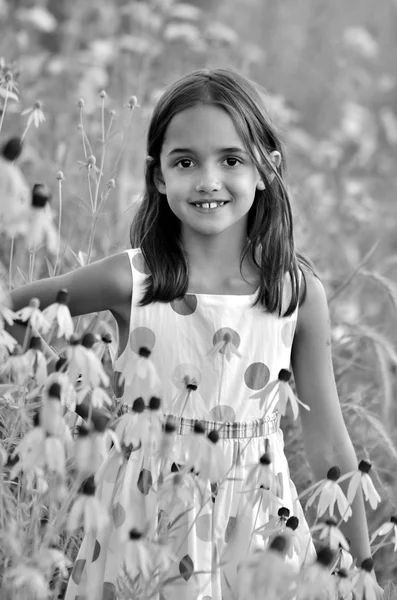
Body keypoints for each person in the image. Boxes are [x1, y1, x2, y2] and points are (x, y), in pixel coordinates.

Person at [9, 68, 376, 599]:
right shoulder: (129, 280)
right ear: (158, 176)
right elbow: (13, 314)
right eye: (185, 162)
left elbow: (329, 444)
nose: (208, 180)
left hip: (257, 522)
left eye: (231, 159)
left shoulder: (295, 292)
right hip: (142, 515)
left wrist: (363, 574)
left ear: (267, 169)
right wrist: (63, 385)